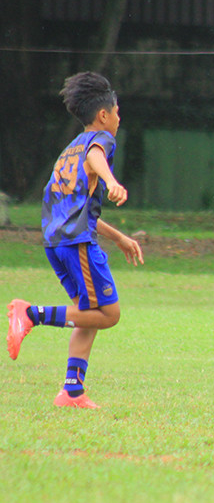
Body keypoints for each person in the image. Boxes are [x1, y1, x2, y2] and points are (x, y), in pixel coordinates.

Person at [6, 72, 144, 409]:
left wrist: (119, 237)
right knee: (109, 315)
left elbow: (77, 208)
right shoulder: (101, 140)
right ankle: (31, 313)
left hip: (58, 241)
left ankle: (72, 391)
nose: (119, 118)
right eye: (117, 111)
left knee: (89, 313)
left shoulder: (69, 150)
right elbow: (97, 155)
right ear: (103, 115)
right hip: (76, 243)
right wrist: (111, 180)